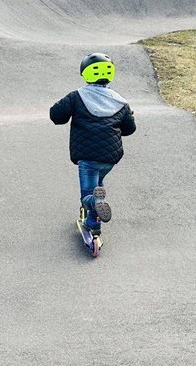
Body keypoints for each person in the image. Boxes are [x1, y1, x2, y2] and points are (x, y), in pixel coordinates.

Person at [49, 53, 137, 242]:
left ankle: (93, 204)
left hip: (87, 158)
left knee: (88, 195)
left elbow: (56, 115)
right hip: (109, 159)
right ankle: (93, 222)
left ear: (85, 73)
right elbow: (130, 129)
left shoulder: (76, 96)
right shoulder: (120, 101)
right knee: (98, 186)